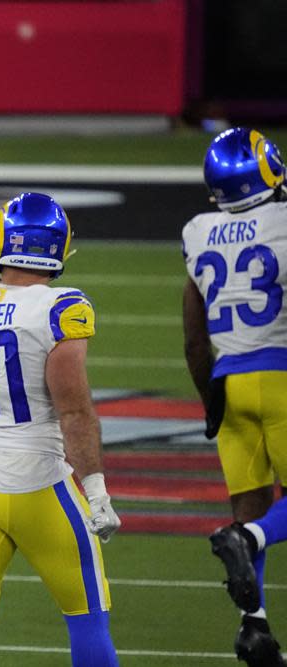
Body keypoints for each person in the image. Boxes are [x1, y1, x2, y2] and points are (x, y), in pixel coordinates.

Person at [0, 192, 121, 667]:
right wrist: (95, 490)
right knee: (87, 617)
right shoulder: (60, 308)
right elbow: (74, 412)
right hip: (40, 484)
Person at [182, 127, 287, 666]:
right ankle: (248, 541)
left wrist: (208, 399)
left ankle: (256, 626)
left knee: (249, 503)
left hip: (228, 380)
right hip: (282, 375)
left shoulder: (199, 231)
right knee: (257, 527)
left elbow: (194, 338)